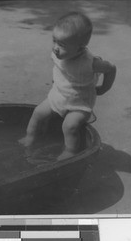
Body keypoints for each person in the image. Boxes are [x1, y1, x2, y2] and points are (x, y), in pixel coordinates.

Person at [19, 12, 116, 160]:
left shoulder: (90, 63)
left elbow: (111, 68)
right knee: (38, 112)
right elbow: (61, 70)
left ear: (80, 48)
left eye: (62, 44)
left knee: (69, 126)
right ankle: (30, 137)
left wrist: (104, 88)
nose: (55, 48)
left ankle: (70, 150)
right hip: (59, 95)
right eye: (54, 41)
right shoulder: (59, 54)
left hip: (80, 102)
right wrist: (56, 82)